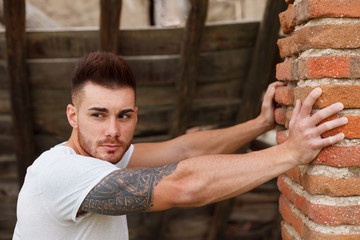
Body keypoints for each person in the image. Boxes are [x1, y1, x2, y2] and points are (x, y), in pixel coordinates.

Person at [13, 51, 348, 239]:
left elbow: (183, 151)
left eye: (124, 116)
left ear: (136, 116)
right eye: (98, 115)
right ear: (73, 115)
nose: (113, 131)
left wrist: (259, 124)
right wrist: (292, 152)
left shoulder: (105, 157)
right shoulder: (61, 171)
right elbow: (182, 184)